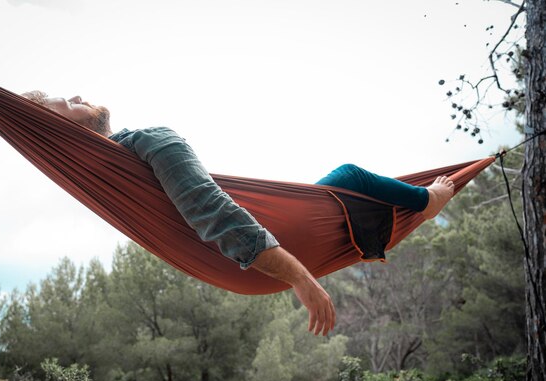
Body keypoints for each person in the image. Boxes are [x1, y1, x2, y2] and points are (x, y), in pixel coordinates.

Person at [22, 92, 455, 337]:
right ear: (67, 131)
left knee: (340, 189)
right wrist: (302, 278)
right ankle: (425, 202)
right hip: (266, 247)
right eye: (66, 101)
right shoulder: (148, 140)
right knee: (349, 176)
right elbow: (212, 211)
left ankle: (405, 209)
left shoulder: (107, 180)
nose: (78, 95)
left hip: (234, 269)